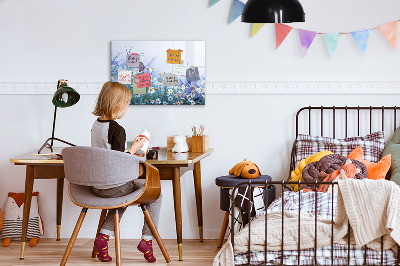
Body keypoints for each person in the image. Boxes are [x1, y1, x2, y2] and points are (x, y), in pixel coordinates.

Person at [91, 81, 161, 263]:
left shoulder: (96, 125)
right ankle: (147, 240)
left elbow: (108, 154)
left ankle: (103, 238)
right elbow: (118, 161)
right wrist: (135, 149)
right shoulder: (117, 129)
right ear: (117, 105)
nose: (127, 109)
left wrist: (130, 149)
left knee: (122, 197)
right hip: (114, 186)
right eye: (127, 104)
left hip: (97, 186)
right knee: (156, 194)